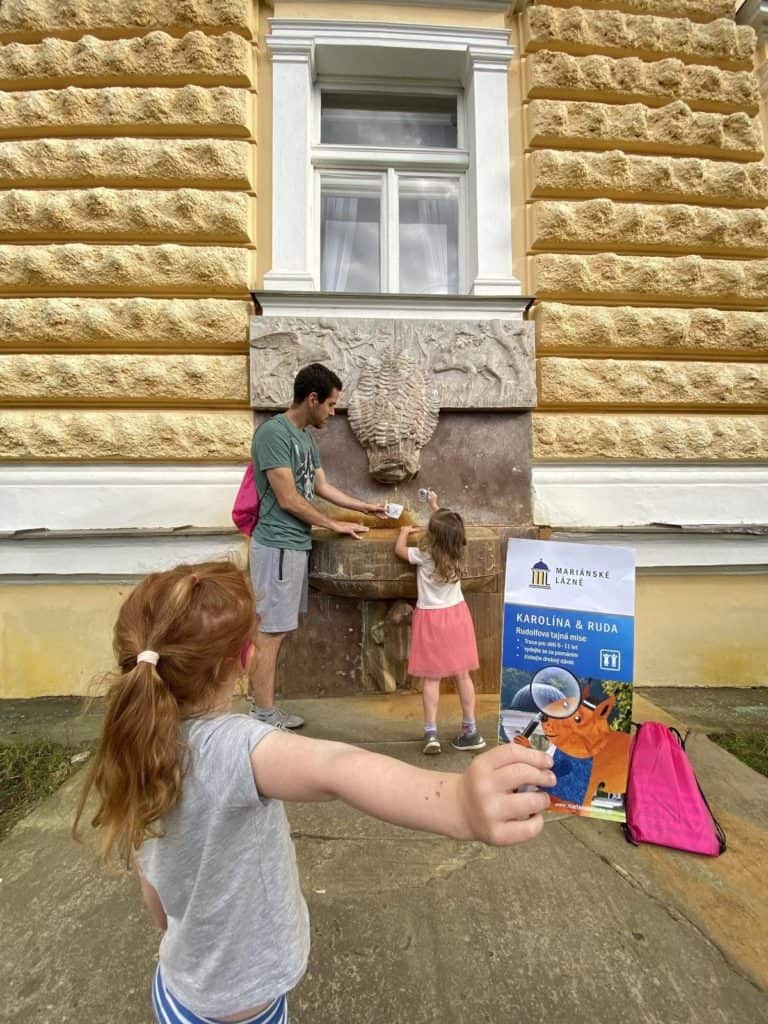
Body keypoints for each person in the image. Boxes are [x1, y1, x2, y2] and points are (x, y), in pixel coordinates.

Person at [73, 560, 555, 1024]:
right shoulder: (233, 746)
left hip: (176, 990)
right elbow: (337, 768)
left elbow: (157, 901)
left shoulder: (134, 749)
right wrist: (457, 803)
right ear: (244, 659)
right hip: (245, 1008)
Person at [249, 362, 386, 730]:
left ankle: (266, 711)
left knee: (278, 631)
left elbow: (321, 487)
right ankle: (262, 716)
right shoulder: (273, 435)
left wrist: (365, 507)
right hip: (277, 546)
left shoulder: (306, 438)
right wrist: (333, 524)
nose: (333, 412)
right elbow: (289, 499)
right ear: (312, 399)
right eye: (331, 404)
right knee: (269, 634)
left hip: (294, 546)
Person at [395, 491, 485, 756]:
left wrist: (403, 532)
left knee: (432, 680)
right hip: (457, 617)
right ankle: (471, 730)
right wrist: (434, 505)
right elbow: (448, 529)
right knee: (463, 676)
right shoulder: (458, 552)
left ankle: (431, 733)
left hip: (431, 620)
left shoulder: (424, 554)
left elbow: (399, 551)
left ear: (432, 536)